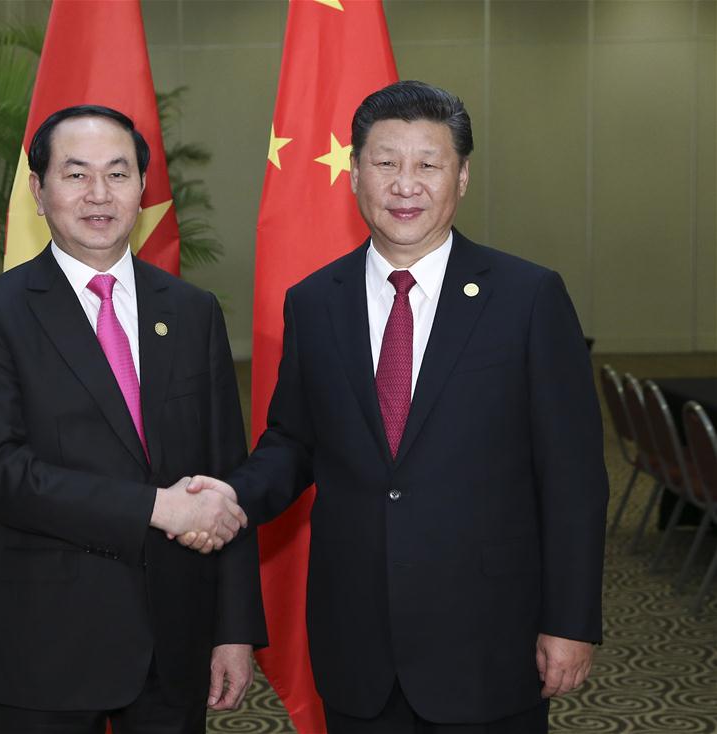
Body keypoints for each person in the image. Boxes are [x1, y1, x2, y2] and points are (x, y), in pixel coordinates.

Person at [185, 81, 608, 733]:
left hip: (489, 640)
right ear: (355, 174)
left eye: (428, 164)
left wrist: (571, 620)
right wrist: (230, 498)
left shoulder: (527, 298)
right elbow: (293, 443)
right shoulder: (315, 301)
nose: (405, 184)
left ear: (461, 177)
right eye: (385, 163)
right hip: (359, 642)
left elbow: (574, 478)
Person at [0, 104, 266, 734]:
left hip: (175, 638)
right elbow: (1, 476)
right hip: (49, 643)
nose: (99, 195)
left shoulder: (193, 311)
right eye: (75, 174)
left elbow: (227, 474)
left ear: (142, 189)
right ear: (38, 191)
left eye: (118, 174)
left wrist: (233, 631)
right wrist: (157, 507)